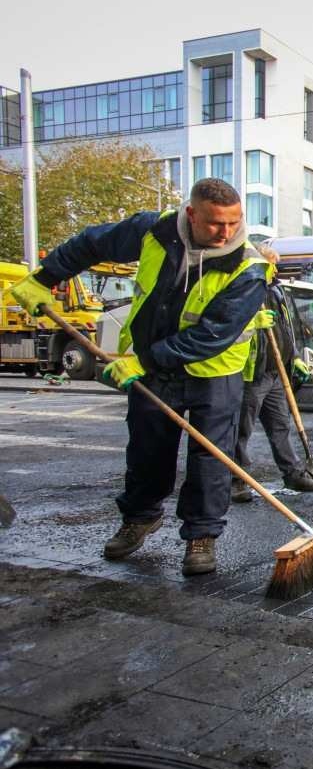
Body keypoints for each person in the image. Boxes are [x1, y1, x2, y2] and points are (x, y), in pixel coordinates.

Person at [8, 178, 268, 575]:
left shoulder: (248, 268)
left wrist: (146, 362)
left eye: (234, 223)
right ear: (191, 214)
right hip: (153, 368)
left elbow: (212, 334)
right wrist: (46, 277)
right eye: (216, 223)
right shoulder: (155, 231)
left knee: (210, 459)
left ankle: (201, 535)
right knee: (147, 449)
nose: (227, 233)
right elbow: (92, 242)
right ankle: (140, 517)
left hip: (214, 372)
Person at [230, 245, 313, 502]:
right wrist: (253, 321)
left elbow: (284, 329)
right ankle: (237, 479)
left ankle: (292, 473)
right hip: (253, 373)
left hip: (275, 372)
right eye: (272, 263)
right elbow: (232, 327)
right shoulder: (247, 290)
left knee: (280, 425)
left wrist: (293, 358)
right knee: (241, 429)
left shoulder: (275, 291)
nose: (275, 269)